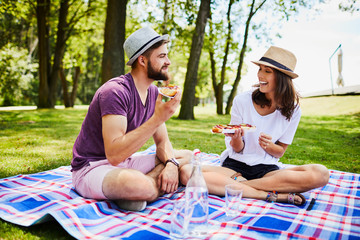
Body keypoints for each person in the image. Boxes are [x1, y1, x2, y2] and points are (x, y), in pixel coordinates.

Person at [180, 46, 329, 205]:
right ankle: (271, 195)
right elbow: (236, 149)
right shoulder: (242, 100)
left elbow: (279, 153)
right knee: (186, 172)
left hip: (267, 172)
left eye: (267, 71)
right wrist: (236, 139)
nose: (260, 75)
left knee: (321, 173)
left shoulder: (293, 110)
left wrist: (269, 146)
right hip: (234, 169)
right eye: (260, 69)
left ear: (282, 77)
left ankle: (241, 187)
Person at [71, 27, 192, 211]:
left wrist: (171, 165)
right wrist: (157, 119)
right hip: (92, 168)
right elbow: (113, 155)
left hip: (124, 164)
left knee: (186, 156)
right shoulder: (115, 92)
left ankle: (139, 190)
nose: (168, 62)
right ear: (142, 60)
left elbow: (162, 143)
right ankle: (143, 188)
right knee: (141, 186)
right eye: (161, 56)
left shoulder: (153, 93)